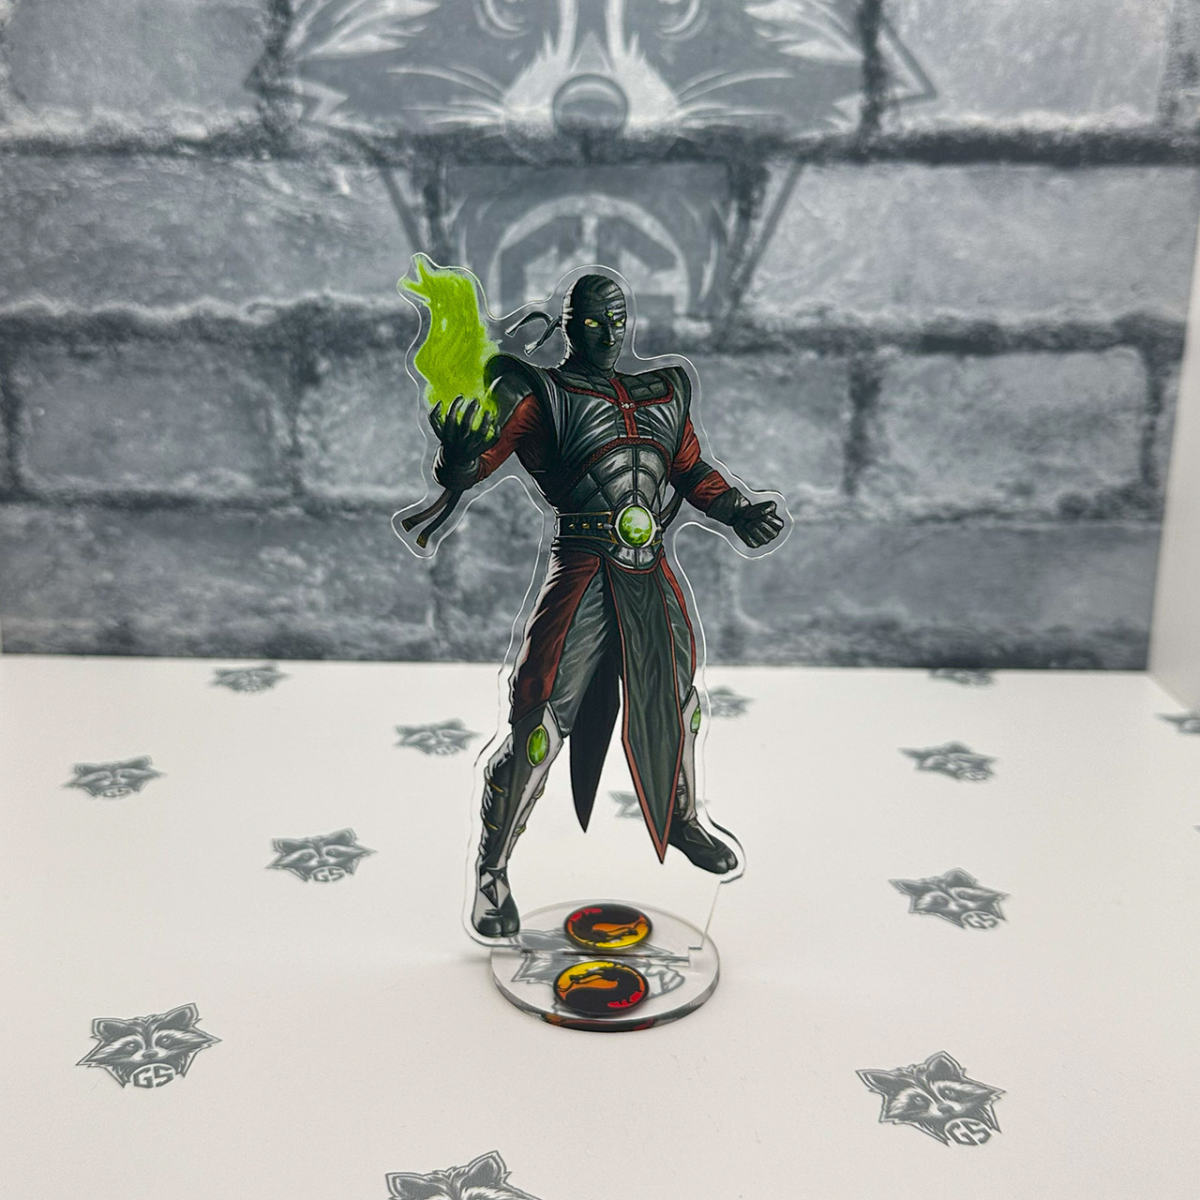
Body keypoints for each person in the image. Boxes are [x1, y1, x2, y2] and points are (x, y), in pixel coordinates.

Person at [427, 273, 784, 936]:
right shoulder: (542, 396)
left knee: (680, 705)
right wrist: (454, 458)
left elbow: (690, 469)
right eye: (593, 321)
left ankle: (682, 820)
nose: (608, 333)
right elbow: (478, 464)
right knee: (538, 723)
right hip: (584, 566)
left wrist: (738, 510)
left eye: (617, 320)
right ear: (569, 324)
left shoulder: (662, 393)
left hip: (651, 571)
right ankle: (492, 872)